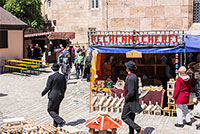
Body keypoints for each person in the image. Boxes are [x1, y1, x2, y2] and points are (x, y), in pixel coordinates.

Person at [121, 61, 144, 134]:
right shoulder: (134, 76)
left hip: (130, 101)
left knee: (124, 117)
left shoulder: (131, 78)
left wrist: (126, 98)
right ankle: (131, 132)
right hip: (133, 100)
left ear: (128, 68)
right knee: (130, 117)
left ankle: (138, 129)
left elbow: (131, 91)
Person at [41, 63, 66, 127]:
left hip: (53, 96)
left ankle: (61, 121)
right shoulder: (62, 76)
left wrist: (43, 93)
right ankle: (55, 124)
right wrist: (62, 93)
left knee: (50, 109)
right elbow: (65, 86)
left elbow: (48, 87)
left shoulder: (51, 77)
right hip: (60, 95)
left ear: (53, 69)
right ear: (58, 69)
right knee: (56, 109)